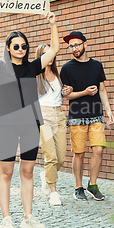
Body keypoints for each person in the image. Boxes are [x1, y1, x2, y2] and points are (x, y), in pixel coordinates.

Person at [0, 10, 60, 228]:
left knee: (28, 171)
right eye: (16, 46)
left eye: (24, 46)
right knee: (6, 173)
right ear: (8, 48)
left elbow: (53, 50)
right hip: (8, 127)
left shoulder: (33, 67)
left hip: (30, 126)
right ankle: (6, 219)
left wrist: (53, 24)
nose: (21, 50)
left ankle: (28, 217)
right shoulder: (1, 68)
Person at [60, 31, 114, 201]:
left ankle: (93, 185)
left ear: (85, 44)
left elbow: (103, 89)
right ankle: (78, 187)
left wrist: (109, 111)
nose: (74, 48)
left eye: (77, 44)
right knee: (79, 153)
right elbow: (66, 95)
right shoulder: (66, 68)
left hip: (96, 115)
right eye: (71, 46)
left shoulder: (97, 66)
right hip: (77, 115)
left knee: (98, 149)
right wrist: (84, 92)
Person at [35, 44, 72, 206]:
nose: (48, 57)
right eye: (44, 54)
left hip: (59, 115)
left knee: (61, 157)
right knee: (50, 155)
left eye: (49, 53)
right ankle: (53, 192)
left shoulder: (58, 74)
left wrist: (67, 91)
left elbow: (62, 94)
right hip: (42, 114)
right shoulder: (34, 75)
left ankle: (46, 175)